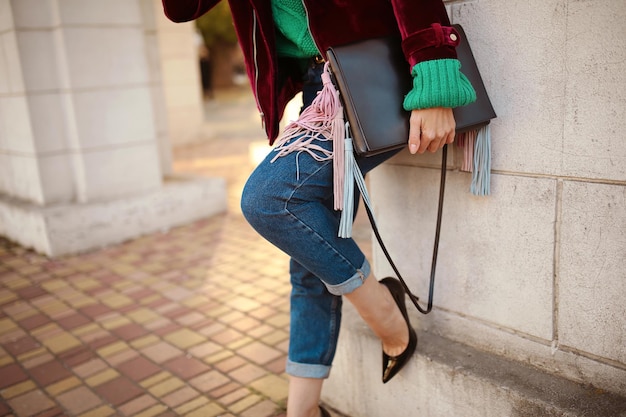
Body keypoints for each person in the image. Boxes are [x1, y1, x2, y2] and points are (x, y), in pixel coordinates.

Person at [162, 1, 476, 416]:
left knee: (269, 199)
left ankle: (385, 312)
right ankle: (303, 411)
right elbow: (181, 9)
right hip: (321, 84)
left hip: (373, 69)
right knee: (309, 254)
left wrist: (435, 71)